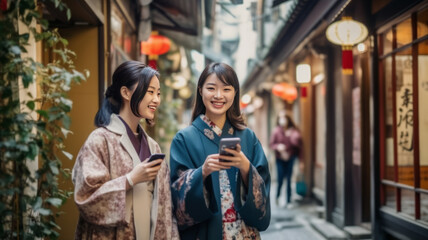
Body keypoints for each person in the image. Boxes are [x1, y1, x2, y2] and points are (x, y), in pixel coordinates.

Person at [72, 61, 178, 240]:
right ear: (125, 92)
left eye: (158, 93)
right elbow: (85, 197)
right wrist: (130, 180)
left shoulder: (153, 147)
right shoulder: (100, 140)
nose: (156, 100)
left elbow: (165, 209)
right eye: (150, 92)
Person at [169, 62, 271, 239]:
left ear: (235, 93)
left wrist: (246, 167)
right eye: (211, 88)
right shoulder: (184, 139)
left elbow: (263, 192)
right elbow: (176, 199)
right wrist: (202, 173)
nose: (218, 95)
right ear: (200, 91)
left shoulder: (248, 137)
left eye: (226, 89)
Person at [269, 111, 303, 208]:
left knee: (289, 179)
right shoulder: (276, 131)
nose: (282, 120)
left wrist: (291, 136)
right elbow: (271, 144)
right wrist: (278, 147)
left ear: (288, 119)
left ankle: (288, 200)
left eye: (284, 117)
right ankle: (278, 197)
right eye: (280, 118)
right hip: (280, 158)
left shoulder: (293, 131)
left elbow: (299, 146)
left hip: (290, 157)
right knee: (280, 179)